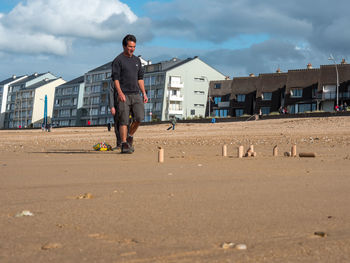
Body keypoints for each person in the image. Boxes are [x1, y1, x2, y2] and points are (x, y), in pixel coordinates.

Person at [111, 34, 148, 154]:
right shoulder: (118, 60)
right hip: (123, 95)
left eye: (134, 47)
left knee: (139, 117)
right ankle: (124, 144)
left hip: (136, 94)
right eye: (130, 46)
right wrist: (120, 93)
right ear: (124, 46)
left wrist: (144, 93)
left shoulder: (137, 60)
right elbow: (115, 79)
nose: (132, 49)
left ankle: (130, 136)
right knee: (124, 121)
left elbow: (140, 78)